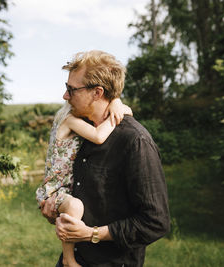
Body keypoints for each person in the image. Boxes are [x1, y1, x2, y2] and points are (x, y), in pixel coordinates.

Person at [40, 50, 170, 267]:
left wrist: (92, 234)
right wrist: (54, 210)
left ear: (97, 93)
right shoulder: (83, 132)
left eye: (71, 90)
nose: (65, 96)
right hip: (72, 260)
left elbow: (156, 222)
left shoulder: (135, 142)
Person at [36, 99, 132, 267]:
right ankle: (68, 259)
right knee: (75, 207)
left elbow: (128, 111)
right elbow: (98, 136)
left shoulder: (78, 120)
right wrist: (117, 112)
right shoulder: (69, 120)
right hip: (56, 189)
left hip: (68, 186)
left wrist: (116, 102)